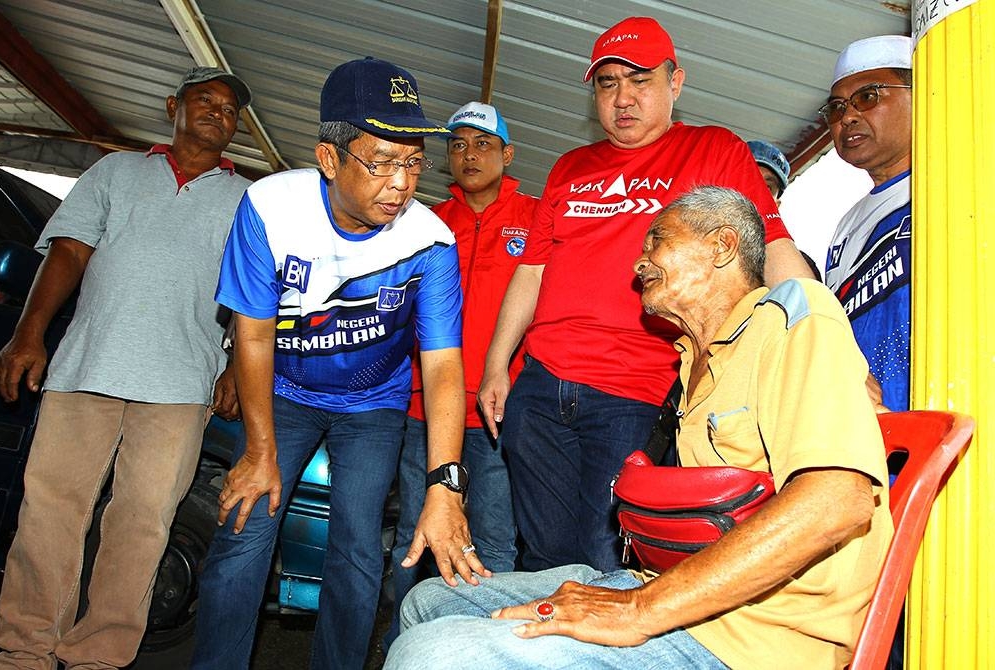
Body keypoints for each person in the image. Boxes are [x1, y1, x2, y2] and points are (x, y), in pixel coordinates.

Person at [386, 185, 892, 670]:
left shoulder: (793, 318)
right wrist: (634, 595)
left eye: (658, 239)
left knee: (433, 655)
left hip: (753, 636)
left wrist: (636, 610)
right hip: (666, 588)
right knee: (430, 601)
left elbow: (836, 499)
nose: (638, 260)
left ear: (721, 245)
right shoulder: (689, 363)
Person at [477, 15, 814, 573]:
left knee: (608, 563)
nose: (623, 98)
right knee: (539, 559)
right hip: (540, 391)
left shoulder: (714, 151)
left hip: (637, 392)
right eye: (608, 83)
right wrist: (496, 363)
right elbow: (531, 272)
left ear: (675, 83)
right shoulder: (569, 168)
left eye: (640, 81)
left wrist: (821, 341)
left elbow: (772, 247)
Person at [189, 57, 485, 670]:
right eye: (381, 162)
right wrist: (259, 452)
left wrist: (444, 484)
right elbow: (252, 337)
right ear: (329, 159)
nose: (401, 183)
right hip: (287, 392)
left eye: (412, 163)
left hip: (373, 403)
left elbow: (442, 367)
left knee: (355, 548)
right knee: (245, 528)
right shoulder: (271, 208)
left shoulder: (429, 240)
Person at [0, 66, 251, 670]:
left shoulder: (249, 199)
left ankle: (98, 659)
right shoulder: (114, 171)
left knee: (143, 525)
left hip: (181, 385)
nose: (219, 111)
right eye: (205, 100)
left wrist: (237, 365)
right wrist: (28, 334)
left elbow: (254, 290)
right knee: (50, 510)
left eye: (230, 108)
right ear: (173, 106)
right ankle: (24, 651)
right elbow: (68, 252)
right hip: (86, 369)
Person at [388, 102, 537, 642]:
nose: (469, 155)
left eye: (483, 144)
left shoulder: (536, 218)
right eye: (457, 145)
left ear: (507, 153)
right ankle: (403, 646)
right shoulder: (423, 221)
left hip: (499, 413)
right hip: (423, 409)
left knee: (495, 538)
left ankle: (484, 648)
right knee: (414, 532)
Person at [822, 35, 912, 413]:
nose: (848, 116)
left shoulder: (958, 184)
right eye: (836, 108)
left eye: (868, 96)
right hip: (865, 433)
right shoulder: (846, 226)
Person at [747, 140, 823, 280]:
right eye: (749, 179)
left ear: (776, 205)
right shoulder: (697, 249)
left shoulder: (798, 265)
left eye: (767, 187)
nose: (756, 192)